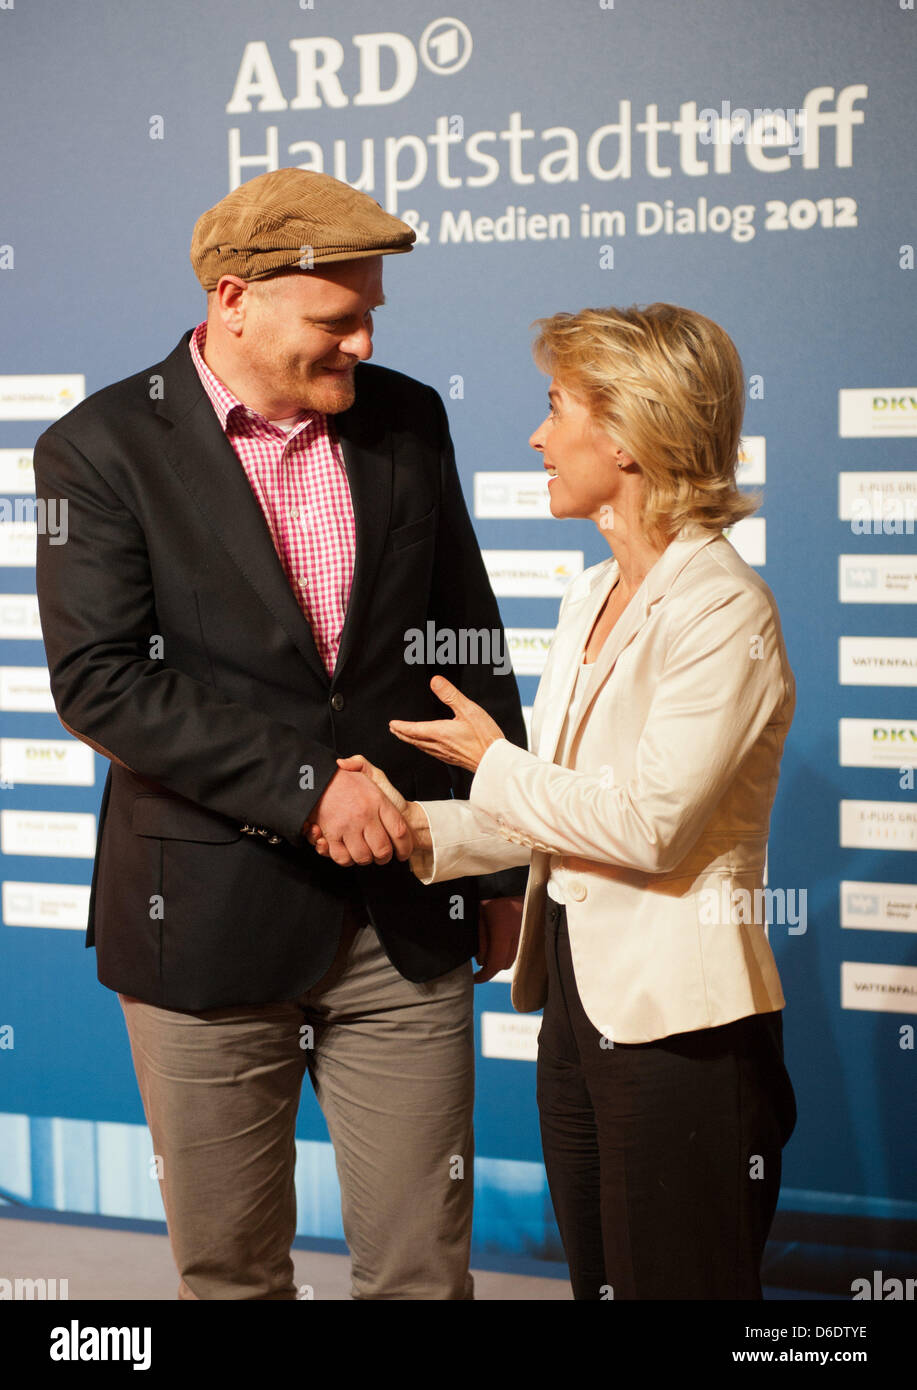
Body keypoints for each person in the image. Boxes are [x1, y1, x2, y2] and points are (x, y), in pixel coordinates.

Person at [32, 168, 529, 1301]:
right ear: (233, 298)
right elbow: (102, 683)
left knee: (419, 1272)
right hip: (200, 922)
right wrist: (310, 787)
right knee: (233, 1276)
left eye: (370, 317)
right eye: (334, 319)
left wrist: (498, 854)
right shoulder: (98, 447)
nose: (360, 342)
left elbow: (467, 638)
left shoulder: (408, 417)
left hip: (406, 908)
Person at [311, 302, 798, 1300]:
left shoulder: (721, 608)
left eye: (555, 407)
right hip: (576, 1007)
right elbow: (560, 806)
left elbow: (647, 825)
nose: (535, 435)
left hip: (681, 1027)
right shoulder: (589, 594)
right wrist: (421, 825)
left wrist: (490, 760)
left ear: (626, 430)